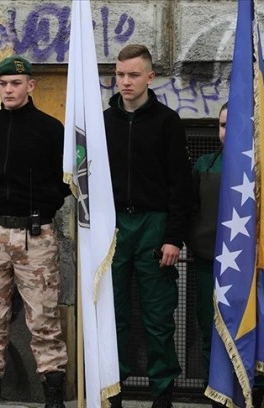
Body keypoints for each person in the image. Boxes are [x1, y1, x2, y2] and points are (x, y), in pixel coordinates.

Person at [0, 56, 69, 408]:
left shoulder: (50, 128)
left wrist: (46, 205)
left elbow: (65, 181)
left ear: (30, 86)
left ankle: (53, 394)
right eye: (3, 84)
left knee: (44, 318)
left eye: (16, 83)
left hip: (35, 233)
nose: (9, 90)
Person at [103, 44, 194, 408]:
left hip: (154, 225)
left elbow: (180, 185)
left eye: (134, 75)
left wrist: (173, 238)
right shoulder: (103, 121)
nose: (125, 82)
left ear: (149, 77)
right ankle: (114, 387)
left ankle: (162, 393)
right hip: (114, 226)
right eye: (121, 75)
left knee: (158, 315)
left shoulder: (167, 121)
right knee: (114, 314)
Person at [187, 102, 264, 407]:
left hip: (258, 266)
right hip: (213, 265)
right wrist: (197, 240)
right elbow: (189, 206)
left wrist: (259, 202)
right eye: (222, 125)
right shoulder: (205, 165)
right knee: (213, 330)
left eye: (234, 125)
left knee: (257, 332)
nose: (226, 131)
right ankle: (218, 396)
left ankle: (253, 396)